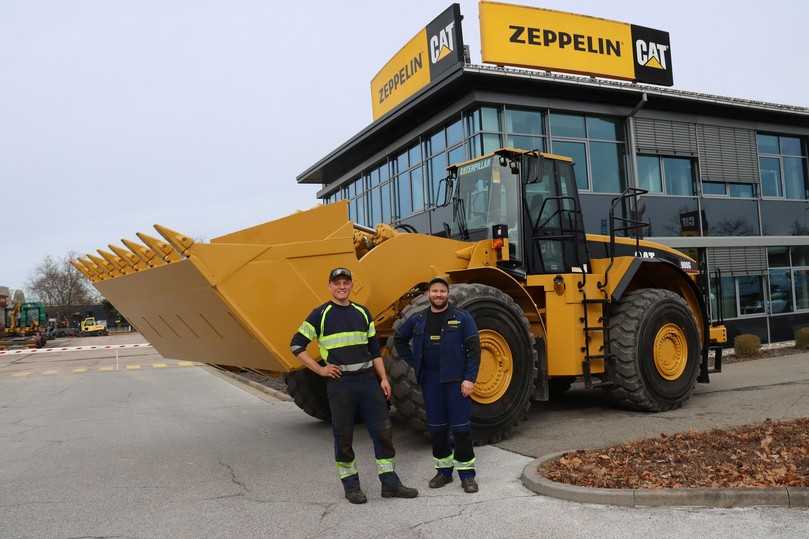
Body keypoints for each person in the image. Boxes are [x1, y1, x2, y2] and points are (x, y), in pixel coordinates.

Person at [290, 267, 418, 504]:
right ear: (330, 286)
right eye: (337, 283)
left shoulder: (363, 313)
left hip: (368, 381)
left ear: (350, 286)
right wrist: (320, 370)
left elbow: (374, 352)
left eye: (345, 283)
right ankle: (351, 486)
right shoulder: (320, 314)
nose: (341, 287)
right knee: (344, 436)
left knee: (383, 432)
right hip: (340, 385)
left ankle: (390, 483)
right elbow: (296, 345)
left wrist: (383, 378)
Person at [394, 277, 481, 493]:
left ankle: (467, 476)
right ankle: (443, 472)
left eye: (442, 291)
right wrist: (415, 363)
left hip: (456, 382)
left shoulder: (462, 317)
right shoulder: (418, 319)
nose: (439, 295)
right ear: (428, 294)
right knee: (437, 429)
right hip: (431, 381)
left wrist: (469, 378)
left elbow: (474, 349)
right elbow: (399, 340)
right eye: (435, 291)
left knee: (461, 429)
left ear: (448, 294)